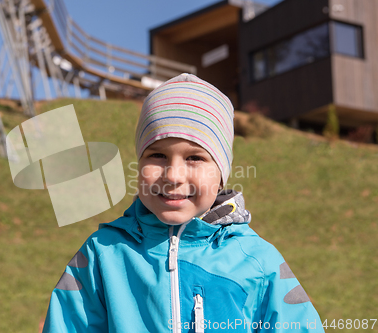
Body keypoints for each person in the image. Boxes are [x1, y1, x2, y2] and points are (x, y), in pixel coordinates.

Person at [43, 74, 324, 332]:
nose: (173, 175)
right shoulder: (102, 255)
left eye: (194, 158)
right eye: (157, 155)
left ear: (221, 175)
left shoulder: (259, 262)